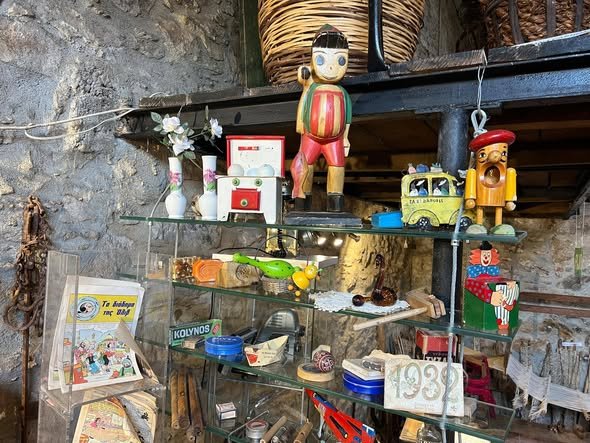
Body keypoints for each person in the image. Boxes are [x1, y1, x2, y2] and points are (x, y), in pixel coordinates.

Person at [290, 24, 352, 212]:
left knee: (338, 167)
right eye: (321, 59)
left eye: (340, 60)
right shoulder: (311, 87)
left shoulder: (342, 92)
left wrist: (345, 138)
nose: (331, 67)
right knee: (305, 168)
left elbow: (347, 117)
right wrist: (304, 76)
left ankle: (335, 203)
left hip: (335, 140)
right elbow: (303, 78)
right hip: (311, 138)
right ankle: (302, 202)